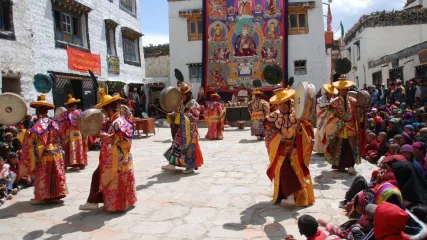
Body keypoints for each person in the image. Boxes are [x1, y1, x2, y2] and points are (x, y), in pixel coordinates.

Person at [79, 88, 137, 212]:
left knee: (98, 175)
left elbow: (122, 140)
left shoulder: (118, 122)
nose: (103, 113)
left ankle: (98, 202)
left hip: (117, 159)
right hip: (119, 157)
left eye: (104, 110)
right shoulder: (113, 121)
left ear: (108, 109)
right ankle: (95, 201)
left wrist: (102, 136)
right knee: (97, 175)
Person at [264, 88, 315, 207]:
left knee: (297, 169)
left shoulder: (297, 116)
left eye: (285, 104)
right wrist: (278, 139)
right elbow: (268, 135)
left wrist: (300, 131)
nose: (283, 107)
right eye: (280, 105)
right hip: (280, 149)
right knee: (283, 169)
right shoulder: (272, 117)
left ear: (289, 103)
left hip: (296, 149)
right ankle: (289, 195)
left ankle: (297, 197)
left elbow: (308, 132)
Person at [20, 94, 67, 204]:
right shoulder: (53, 122)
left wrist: (25, 133)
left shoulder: (40, 123)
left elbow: (36, 138)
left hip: (45, 152)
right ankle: (55, 195)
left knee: (43, 175)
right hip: (56, 151)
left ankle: (41, 197)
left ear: (38, 111)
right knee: (55, 174)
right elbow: (60, 136)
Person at [162, 83, 204, 174]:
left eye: (182, 94)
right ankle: (172, 164)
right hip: (182, 129)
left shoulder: (193, 103)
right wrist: (172, 114)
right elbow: (178, 113)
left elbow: (195, 115)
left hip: (191, 130)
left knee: (190, 148)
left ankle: (190, 167)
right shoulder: (181, 103)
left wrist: (182, 116)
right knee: (177, 145)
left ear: (188, 94)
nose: (181, 96)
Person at [324, 76, 361, 175]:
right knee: (341, 147)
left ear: (348, 90)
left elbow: (357, 114)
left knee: (351, 147)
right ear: (338, 90)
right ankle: (340, 166)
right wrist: (338, 122)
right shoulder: (333, 103)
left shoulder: (353, 101)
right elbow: (330, 116)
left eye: (345, 90)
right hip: (339, 128)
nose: (343, 92)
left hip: (352, 128)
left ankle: (351, 166)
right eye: (341, 90)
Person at [58, 94, 88, 171]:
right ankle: (81, 163)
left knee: (71, 148)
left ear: (68, 106)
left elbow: (62, 126)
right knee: (80, 147)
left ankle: (74, 163)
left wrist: (63, 135)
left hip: (69, 133)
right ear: (75, 105)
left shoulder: (64, 114)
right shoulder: (80, 113)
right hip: (79, 132)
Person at [314, 84, 337, 154]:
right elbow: (319, 110)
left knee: (330, 132)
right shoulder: (320, 100)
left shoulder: (332, 100)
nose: (331, 95)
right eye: (330, 94)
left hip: (330, 119)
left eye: (332, 94)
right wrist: (327, 110)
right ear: (327, 93)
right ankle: (321, 150)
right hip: (322, 119)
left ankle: (328, 149)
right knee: (322, 132)